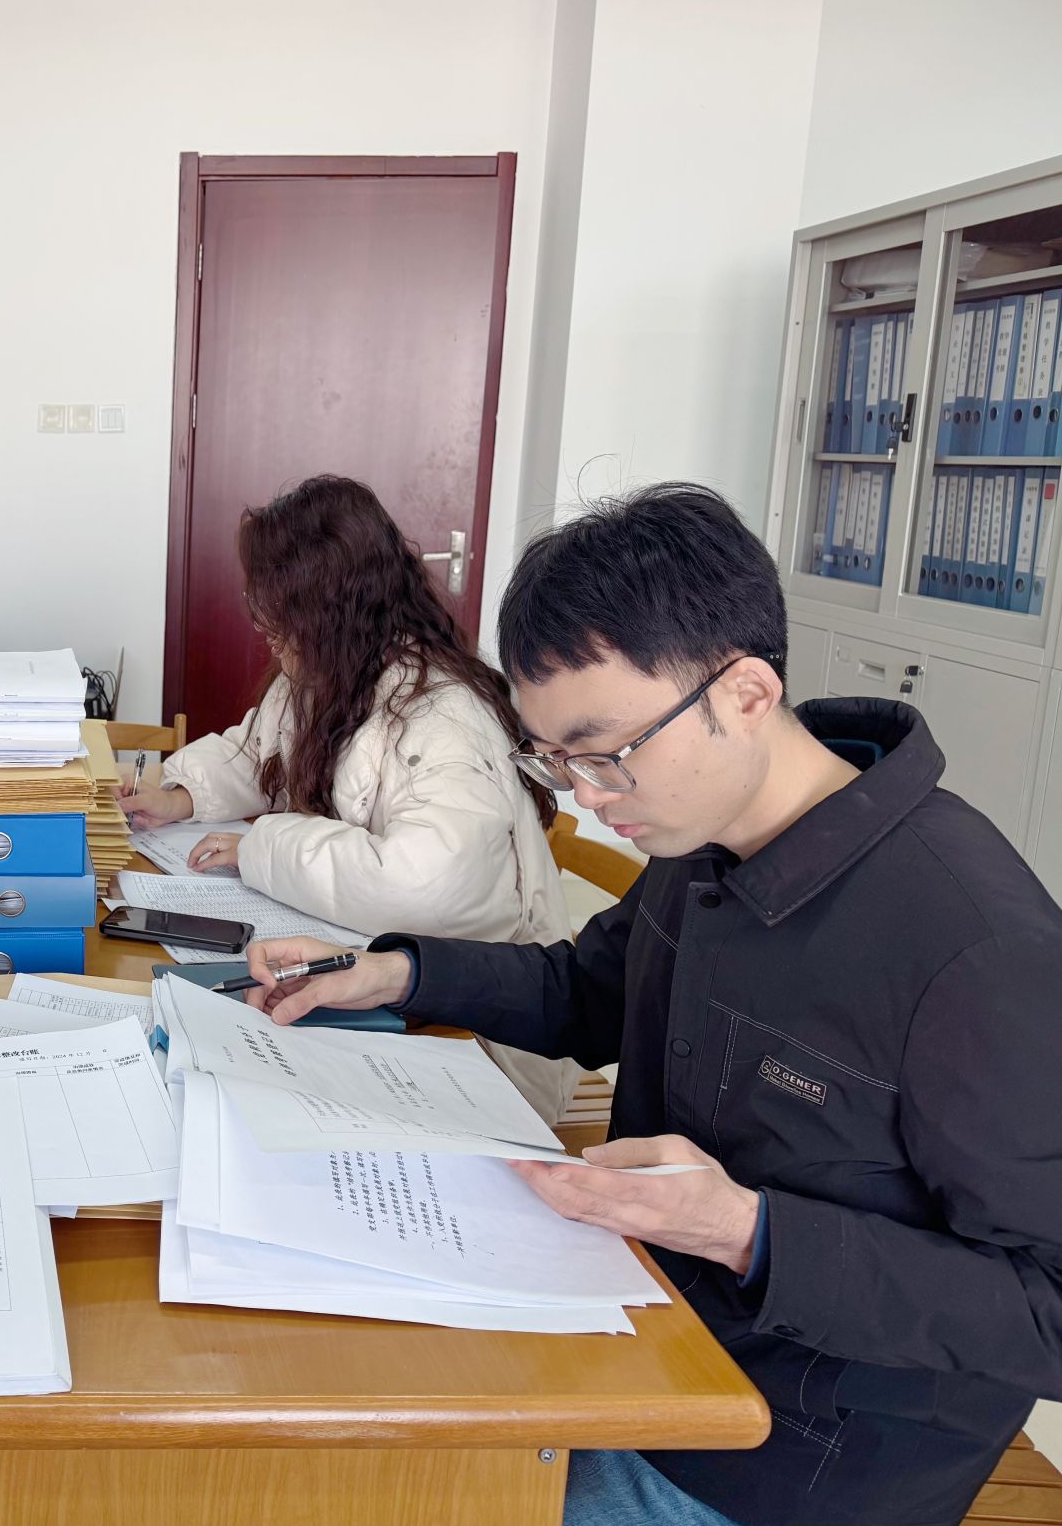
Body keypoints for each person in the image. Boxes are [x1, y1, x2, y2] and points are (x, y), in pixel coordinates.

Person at [243, 483, 1062, 1526]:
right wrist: (395, 974)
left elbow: (1046, 1306)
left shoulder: (975, 948)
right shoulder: (703, 832)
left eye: (607, 752)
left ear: (746, 693)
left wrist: (748, 1233)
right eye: (556, 759)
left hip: (782, 1459)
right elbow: (587, 989)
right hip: (637, 1323)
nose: (586, 796)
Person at [116, 474, 567, 947]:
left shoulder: (445, 716)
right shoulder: (328, 673)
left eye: (274, 602)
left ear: (327, 605)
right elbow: (259, 756)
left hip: (469, 976)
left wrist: (263, 851)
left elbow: (426, 890)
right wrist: (179, 795)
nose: (260, 622)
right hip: (368, 947)